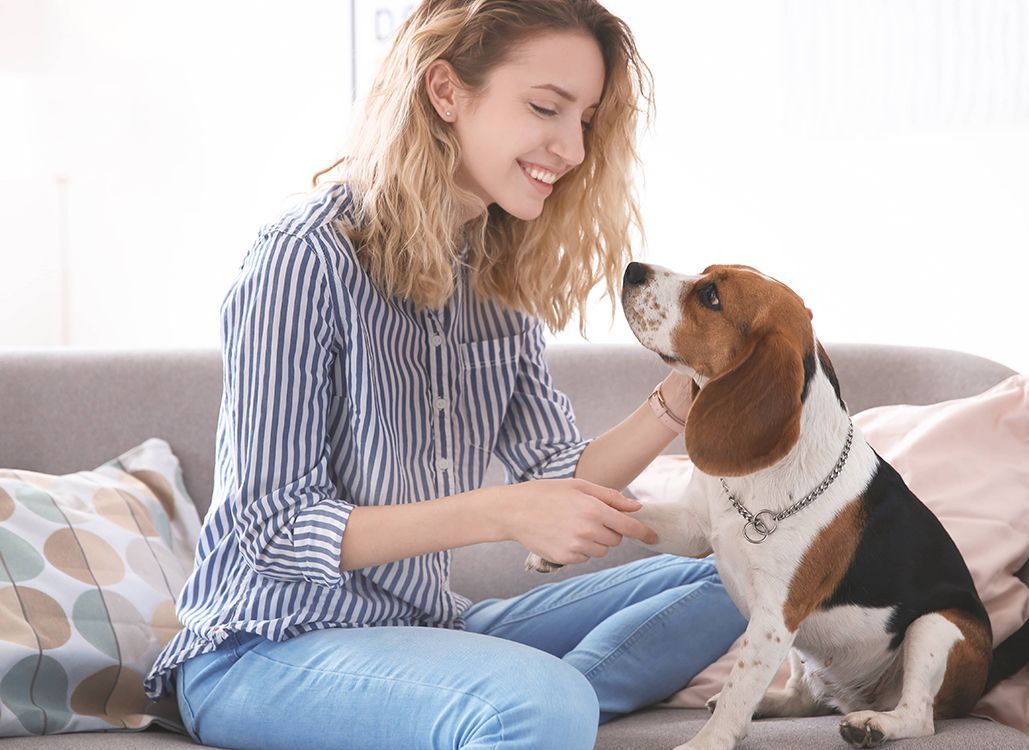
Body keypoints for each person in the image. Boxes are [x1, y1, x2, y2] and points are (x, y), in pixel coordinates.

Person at [142, 2, 747, 748]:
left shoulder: (494, 278)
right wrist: (503, 512)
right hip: (264, 648)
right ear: (446, 92)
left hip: (423, 628)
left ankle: (513, 703)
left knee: (747, 579)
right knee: (536, 703)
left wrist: (681, 398)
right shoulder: (302, 261)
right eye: (545, 108)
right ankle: (533, 704)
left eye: (585, 120)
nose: (572, 148)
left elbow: (562, 473)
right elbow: (273, 527)